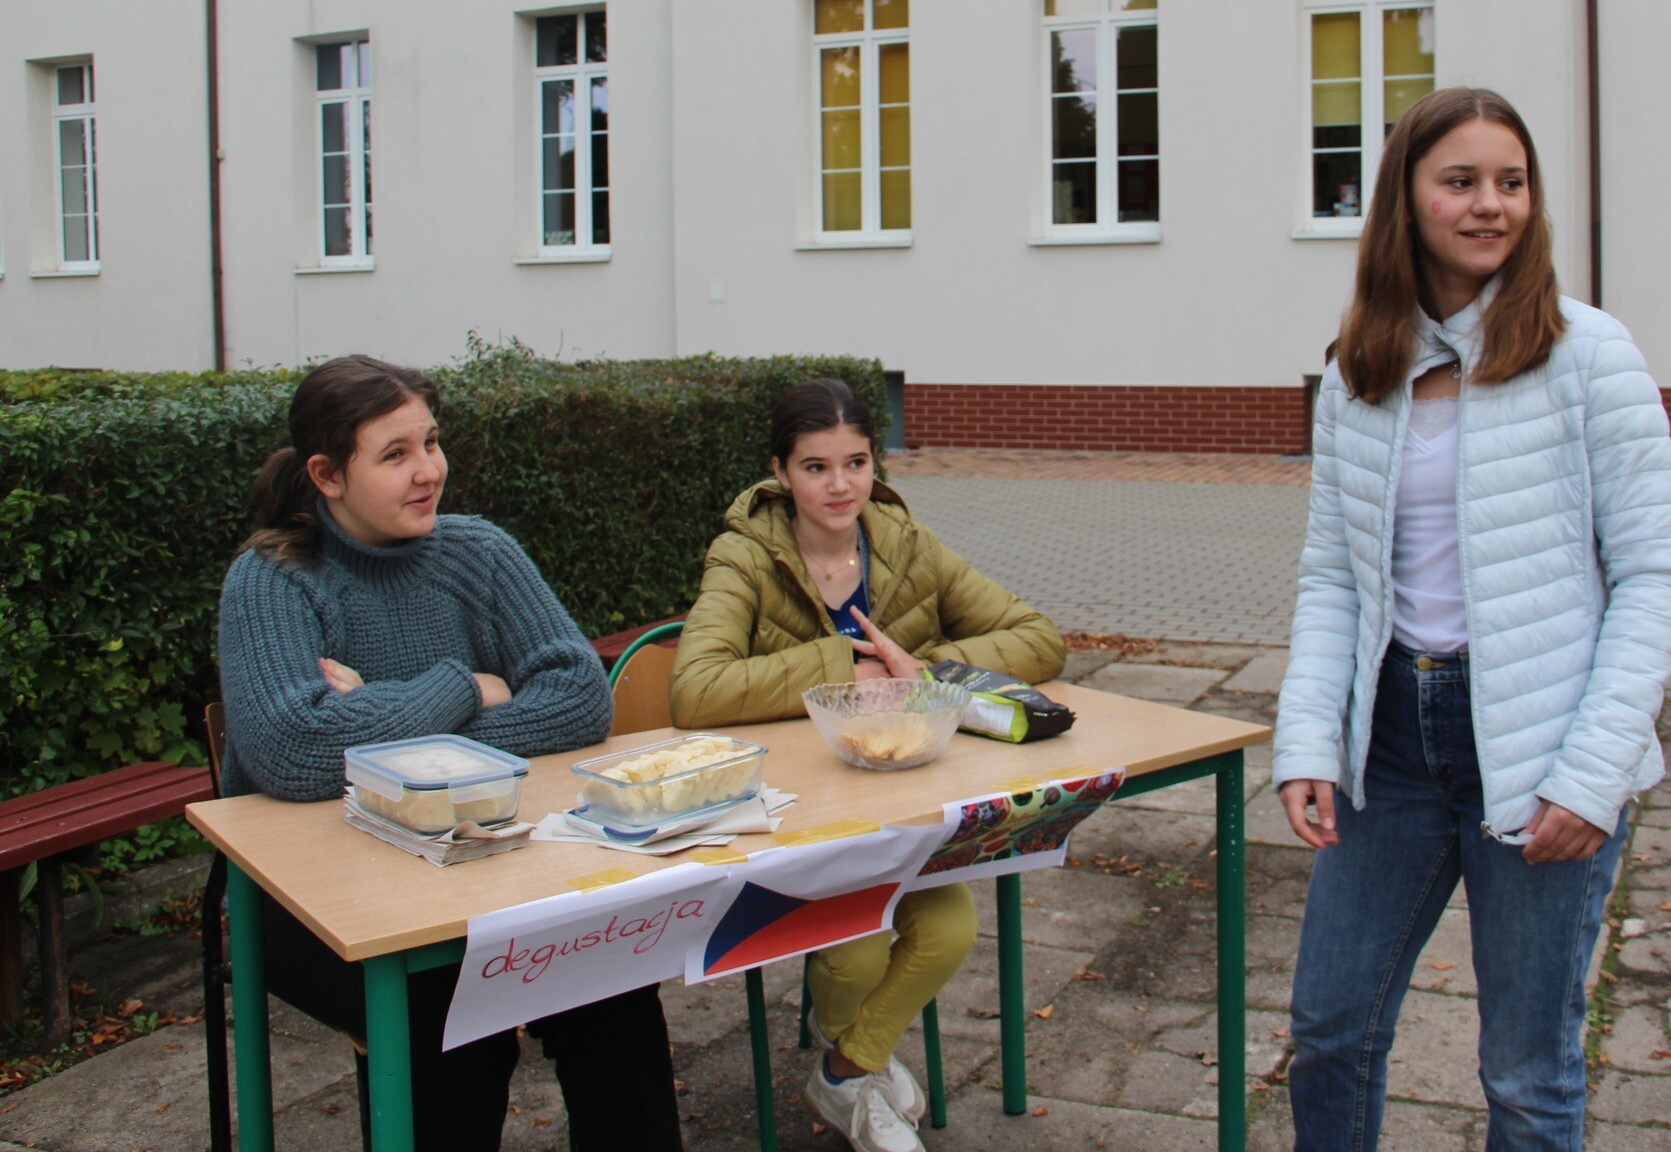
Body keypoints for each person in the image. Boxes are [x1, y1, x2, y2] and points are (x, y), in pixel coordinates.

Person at [1273, 88, 1671, 1150]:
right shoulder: (1358, 370)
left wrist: (1592, 773)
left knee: (1526, 1072)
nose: (1489, 205)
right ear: (1404, 200)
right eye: (1458, 181)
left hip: (1544, 742)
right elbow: (1333, 576)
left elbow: (1652, 575)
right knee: (1328, 1030)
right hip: (1389, 748)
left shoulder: (1589, 354)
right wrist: (1307, 738)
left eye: (1510, 182)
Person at [216, 354, 685, 1152]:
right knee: (448, 1018)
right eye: (395, 454)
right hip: (313, 904)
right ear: (327, 474)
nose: (428, 469)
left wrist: (378, 719)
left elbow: (580, 695)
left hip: (483, 871)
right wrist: (466, 685)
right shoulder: (274, 580)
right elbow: (296, 752)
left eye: (431, 442)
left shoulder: (478, 552)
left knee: (612, 980)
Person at [671, 378, 1065, 1152]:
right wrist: (840, 670)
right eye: (815, 467)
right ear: (779, 471)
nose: (840, 485)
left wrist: (926, 670)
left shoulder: (905, 543)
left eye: (855, 462)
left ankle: (849, 1067)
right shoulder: (743, 554)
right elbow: (695, 689)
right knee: (854, 950)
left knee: (949, 928)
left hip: (902, 803)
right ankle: (859, 1062)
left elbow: (1039, 636)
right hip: (803, 815)